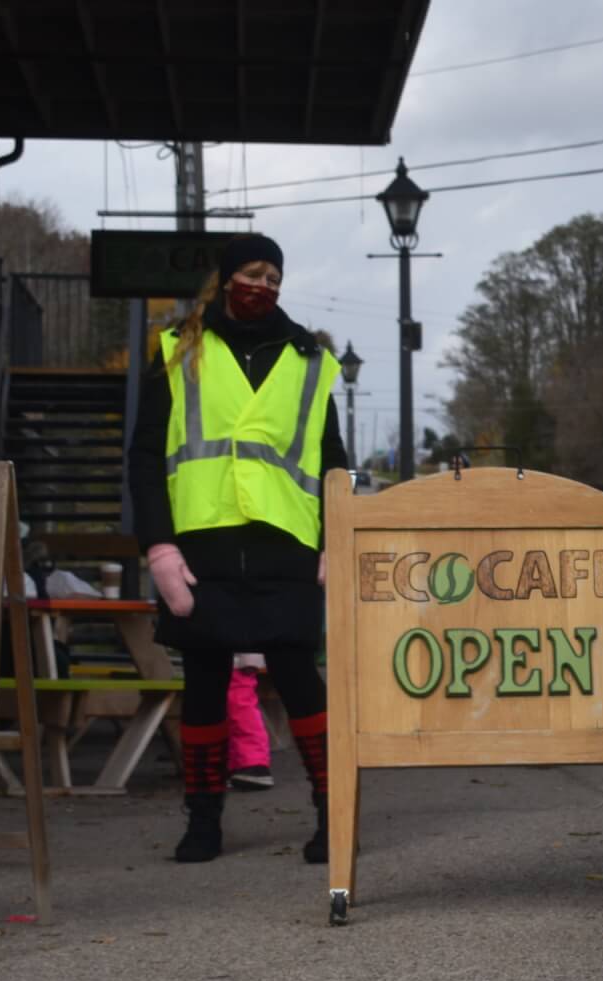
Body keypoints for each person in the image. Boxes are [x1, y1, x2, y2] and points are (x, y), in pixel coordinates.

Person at [127, 234, 345, 864]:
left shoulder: (310, 359)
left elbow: (332, 460)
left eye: (274, 275)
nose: (264, 285)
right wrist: (158, 548)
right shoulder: (177, 352)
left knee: (300, 675)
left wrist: (337, 537)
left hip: (286, 542)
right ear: (225, 280)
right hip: (205, 541)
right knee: (205, 679)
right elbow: (146, 458)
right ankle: (202, 822)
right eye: (252, 273)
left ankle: (335, 816)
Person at [228, 654, 275, 790]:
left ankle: (254, 764)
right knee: (233, 714)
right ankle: (238, 765)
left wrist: (250, 661)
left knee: (242, 713)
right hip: (229, 659)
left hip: (236, 663)